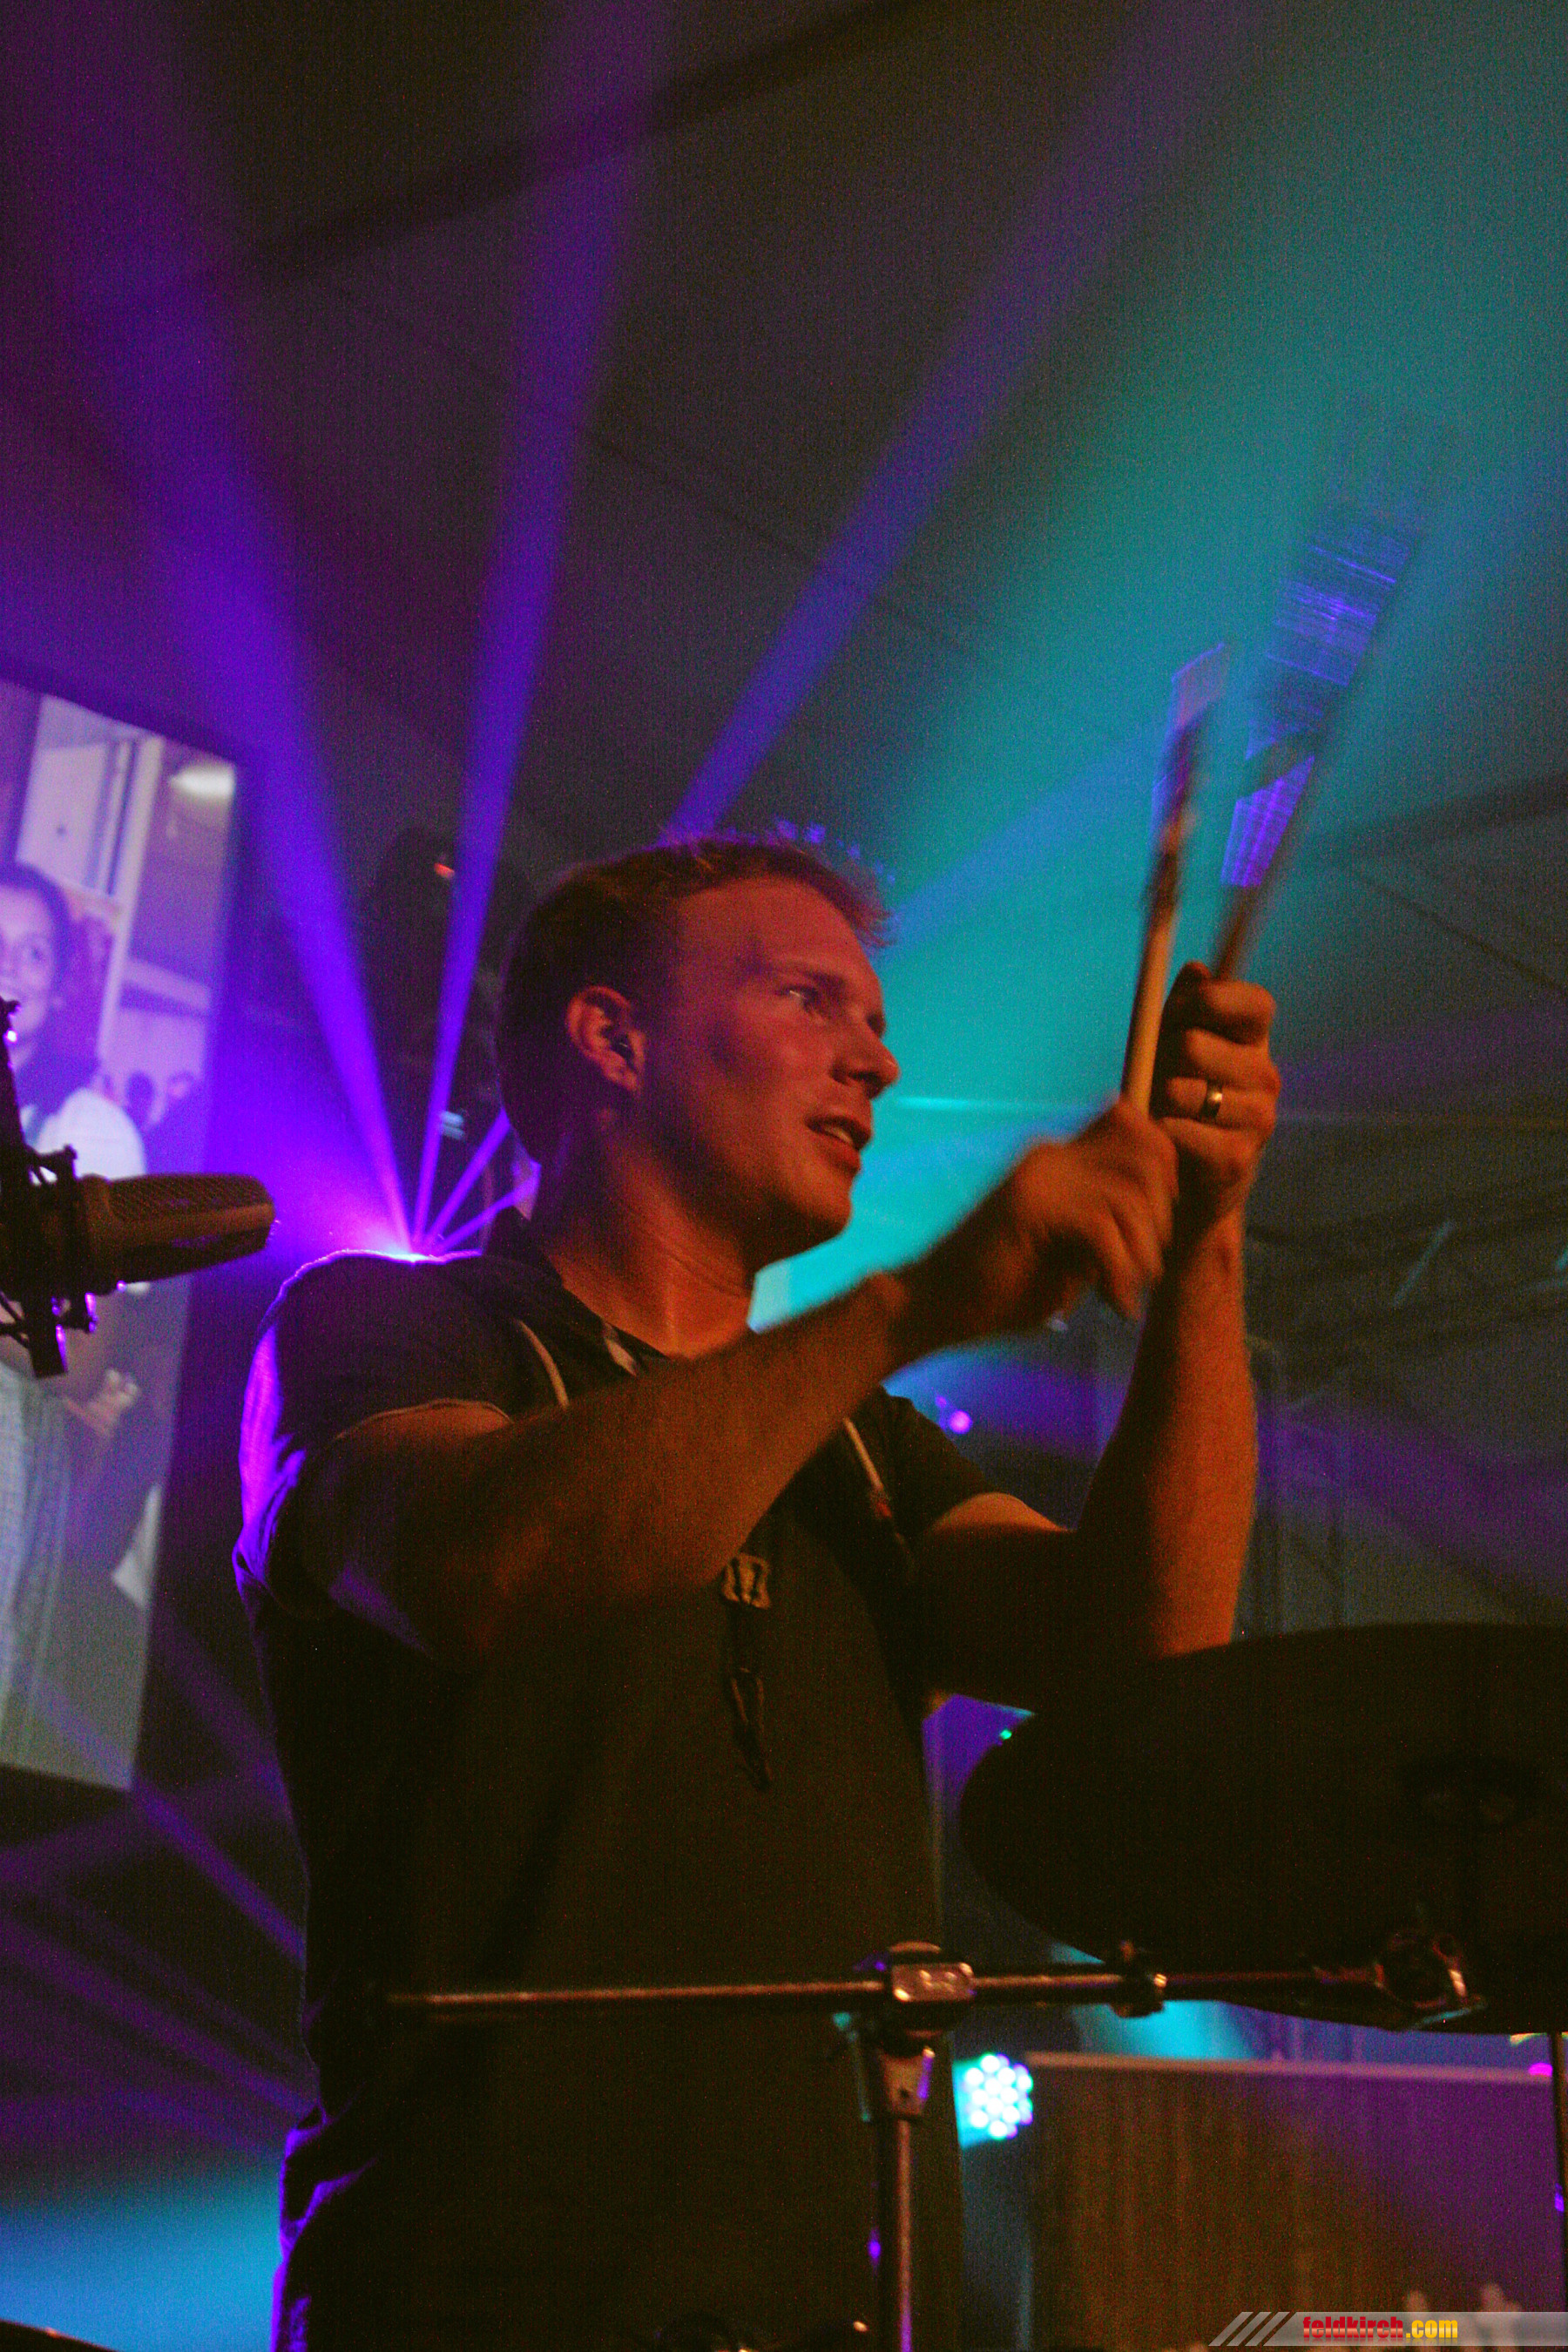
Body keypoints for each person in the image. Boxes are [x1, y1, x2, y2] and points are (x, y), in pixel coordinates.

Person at [235, 837, 1279, 2351]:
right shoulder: (386, 1327)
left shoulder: (863, 1447)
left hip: (846, 2305)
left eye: (875, 1021)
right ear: (613, 1039)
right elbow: (479, 1566)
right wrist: (913, 1303)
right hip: (474, 2300)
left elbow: (1145, 1645)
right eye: (808, 1000)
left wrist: (1208, 1240)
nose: (878, 1061)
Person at [0, 862, 146, 1769]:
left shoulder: (89, 1133)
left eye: (34, 953)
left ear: (58, 990)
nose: (7, 971)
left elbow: (81, 1355)